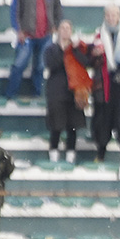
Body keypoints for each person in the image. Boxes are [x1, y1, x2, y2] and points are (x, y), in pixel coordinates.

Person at [90, 4, 120, 163]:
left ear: (119, 16)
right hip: (105, 84)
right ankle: (101, 151)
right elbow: (93, 60)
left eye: (114, 15)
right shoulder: (99, 35)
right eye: (108, 15)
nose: (111, 18)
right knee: (103, 118)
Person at [7, 0, 62, 101]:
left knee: (40, 67)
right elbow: (15, 11)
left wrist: (55, 25)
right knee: (19, 64)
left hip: (46, 35)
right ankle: (9, 95)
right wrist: (18, 30)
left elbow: (58, 9)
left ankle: (36, 95)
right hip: (26, 35)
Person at [44, 19, 91, 164]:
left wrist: (74, 50)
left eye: (68, 29)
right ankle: (54, 154)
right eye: (62, 28)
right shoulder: (51, 49)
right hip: (57, 91)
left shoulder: (76, 49)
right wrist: (65, 52)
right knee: (56, 126)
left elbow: (86, 62)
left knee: (72, 126)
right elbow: (52, 64)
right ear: (58, 31)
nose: (65, 31)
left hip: (73, 92)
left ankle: (71, 155)